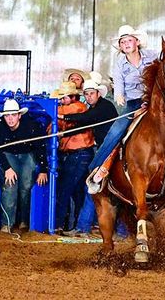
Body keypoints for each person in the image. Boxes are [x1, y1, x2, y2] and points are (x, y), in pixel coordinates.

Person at [87, 25, 165, 194]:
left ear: (137, 42)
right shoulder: (120, 63)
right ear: (120, 46)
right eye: (123, 41)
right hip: (133, 103)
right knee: (115, 132)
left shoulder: (152, 56)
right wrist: (119, 95)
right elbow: (118, 83)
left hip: (157, 102)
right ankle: (96, 169)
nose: (126, 43)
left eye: (129, 40)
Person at [58, 78, 118, 237]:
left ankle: (84, 227)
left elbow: (85, 119)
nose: (89, 96)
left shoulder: (104, 107)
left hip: (109, 150)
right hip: (103, 149)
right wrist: (65, 133)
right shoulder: (95, 108)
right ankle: (89, 226)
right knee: (95, 187)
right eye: (87, 94)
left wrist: (64, 119)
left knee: (92, 186)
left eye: (91, 93)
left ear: (98, 93)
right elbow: (84, 124)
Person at [0, 99, 48, 233]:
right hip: (8, 155)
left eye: (13, 115)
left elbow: (40, 147)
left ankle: (24, 220)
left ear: (19, 115)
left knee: (26, 186)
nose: (10, 119)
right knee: (10, 186)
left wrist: (43, 169)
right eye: (7, 115)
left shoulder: (32, 126)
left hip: (28, 154)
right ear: (3, 117)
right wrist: (7, 168)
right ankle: (7, 223)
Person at [54, 81, 95, 233]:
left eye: (63, 98)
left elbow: (59, 119)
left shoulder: (77, 107)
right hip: (79, 154)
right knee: (77, 191)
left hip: (78, 154)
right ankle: (77, 225)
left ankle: (58, 224)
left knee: (65, 189)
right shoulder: (73, 109)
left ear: (72, 96)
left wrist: (53, 111)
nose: (61, 101)